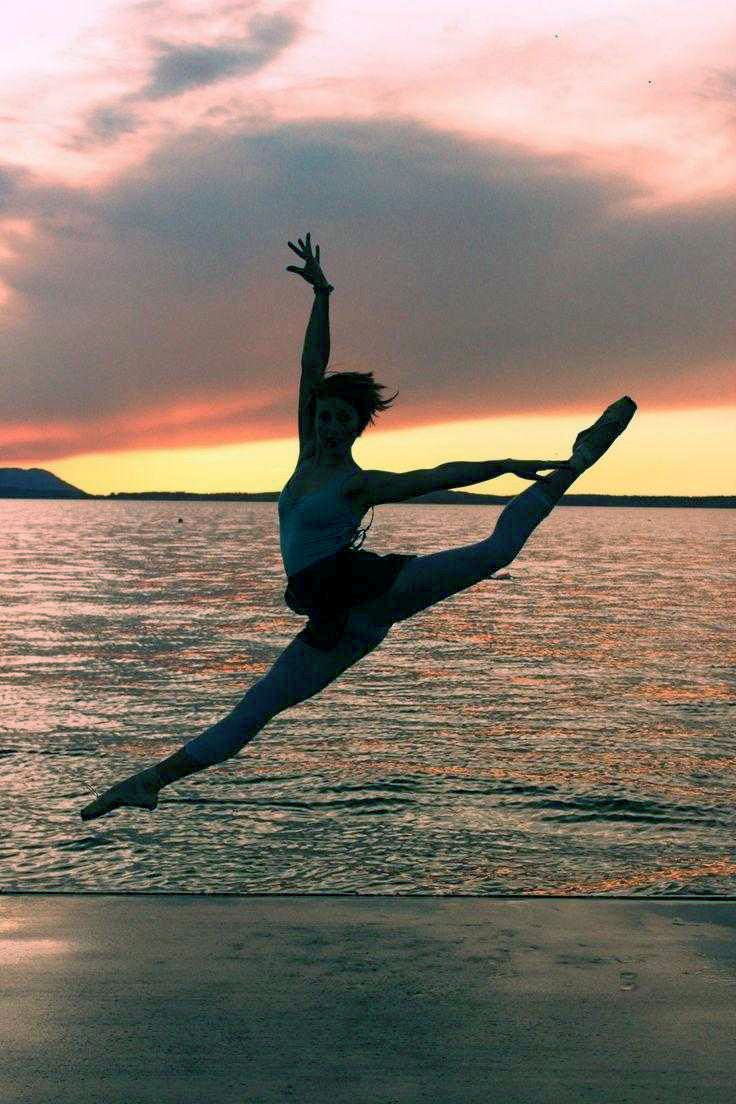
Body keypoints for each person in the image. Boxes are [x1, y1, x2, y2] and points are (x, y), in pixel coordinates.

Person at [80, 233, 636, 821]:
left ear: (355, 428)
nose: (328, 426)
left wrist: (503, 465)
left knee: (495, 553)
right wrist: (322, 292)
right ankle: (151, 781)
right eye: (323, 416)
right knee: (256, 709)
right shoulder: (304, 457)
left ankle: (574, 464)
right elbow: (309, 367)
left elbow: (433, 475)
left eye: (341, 420)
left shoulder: (355, 482)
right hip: (340, 624)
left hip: (374, 589)